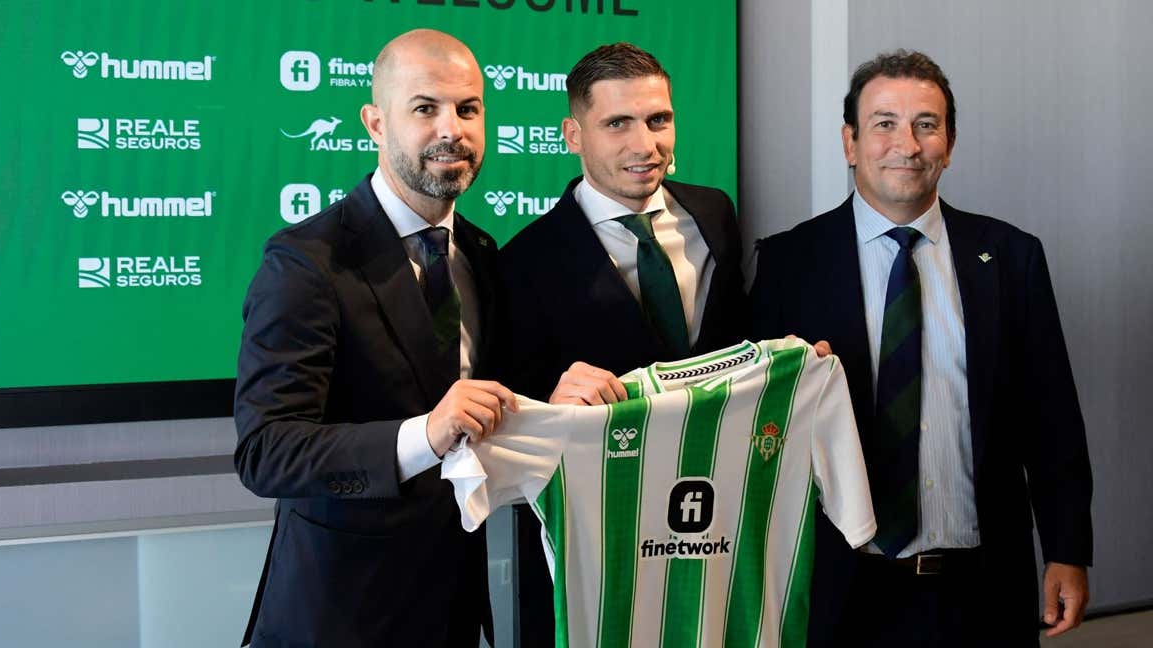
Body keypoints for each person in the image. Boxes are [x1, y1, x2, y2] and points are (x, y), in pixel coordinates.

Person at [749, 49, 1092, 647]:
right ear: (850, 143)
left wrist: (1067, 550)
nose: (906, 143)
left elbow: (1051, 418)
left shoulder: (1010, 257)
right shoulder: (787, 263)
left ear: (949, 144)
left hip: (980, 588)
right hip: (840, 588)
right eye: (883, 123)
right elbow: (753, 428)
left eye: (926, 125)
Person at [233, 29, 515, 648]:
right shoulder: (306, 263)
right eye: (425, 108)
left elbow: (482, 404)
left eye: (468, 109)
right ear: (375, 122)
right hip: (339, 616)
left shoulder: (480, 253)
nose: (453, 129)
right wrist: (425, 436)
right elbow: (267, 451)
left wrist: (556, 396)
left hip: (453, 607)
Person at [492, 42, 752, 646]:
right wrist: (550, 401)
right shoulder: (522, 262)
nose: (646, 145)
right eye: (618, 124)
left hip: (712, 523)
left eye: (658, 120)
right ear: (572, 134)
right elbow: (507, 417)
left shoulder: (715, 213)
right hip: (598, 542)